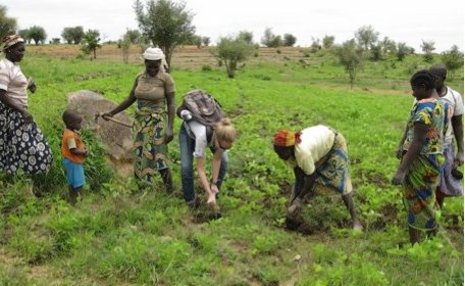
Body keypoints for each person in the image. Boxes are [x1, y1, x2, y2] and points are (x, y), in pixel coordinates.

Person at [102, 47, 175, 192]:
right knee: (140, 154)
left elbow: (172, 103)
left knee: (159, 155)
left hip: (157, 122)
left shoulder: (166, 79)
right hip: (140, 123)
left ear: (160, 63)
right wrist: (112, 112)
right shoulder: (139, 78)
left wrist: (170, 128)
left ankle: (169, 190)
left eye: (156, 66)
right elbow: (130, 99)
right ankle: (142, 188)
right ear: (145, 63)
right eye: (150, 66)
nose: (153, 69)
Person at [273, 125, 363, 231]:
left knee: (341, 183)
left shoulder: (303, 153)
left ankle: (356, 222)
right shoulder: (287, 152)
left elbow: (311, 177)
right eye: (278, 153)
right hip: (320, 146)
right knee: (302, 184)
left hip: (334, 143)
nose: (280, 157)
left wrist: (299, 198)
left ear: (290, 148)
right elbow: (299, 177)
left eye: (281, 153)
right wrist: (294, 202)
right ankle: (295, 217)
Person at [392, 70, 447, 244]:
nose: (413, 93)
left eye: (414, 89)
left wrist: (402, 170)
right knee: (428, 197)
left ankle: (415, 244)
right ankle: (432, 236)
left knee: (415, 199)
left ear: (423, 87)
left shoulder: (424, 108)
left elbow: (418, 141)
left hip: (421, 161)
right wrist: (402, 145)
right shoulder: (439, 104)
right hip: (434, 158)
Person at [0, 35, 52, 176]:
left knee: (14, 147)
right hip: (13, 113)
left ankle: (16, 177)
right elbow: (2, 94)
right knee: (34, 148)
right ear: (9, 50)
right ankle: (26, 177)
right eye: (20, 50)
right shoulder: (3, 67)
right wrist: (22, 111)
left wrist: (29, 84)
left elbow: (13, 87)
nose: (23, 53)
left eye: (24, 51)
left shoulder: (13, 65)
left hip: (18, 111)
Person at [178, 113, 237, 209]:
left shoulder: (222, 135)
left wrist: (214, 184)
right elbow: (200, 169)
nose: (223, 149)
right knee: (186, 167)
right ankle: (191, 202)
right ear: (217, 139)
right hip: (188, 133)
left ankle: (213, 195)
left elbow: (217, 159)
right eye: (222, 147)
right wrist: (208, 192)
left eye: (227, 148)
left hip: (208, 136)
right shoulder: (202, 137)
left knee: (224, 161)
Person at [429, 64, 463, 208]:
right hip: (427, 146)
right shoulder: (424, 94)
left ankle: (438, 210)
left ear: (443, 78)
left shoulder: (454, 97)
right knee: (428, 181)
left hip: (446, 146)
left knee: (442, 182)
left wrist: (461, 151)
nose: (431, 81)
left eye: (434, 78)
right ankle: (428, 212)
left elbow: (458, 125)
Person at [61, 110, 88, 205]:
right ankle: (80, 202)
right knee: (78, 182)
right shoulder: (70, 135)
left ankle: (72, 201)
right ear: (70, 123)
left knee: (72, 182)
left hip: (69, 161)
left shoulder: (68, 131)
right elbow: (73, 150)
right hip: (73, 162)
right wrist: (84, 152)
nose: (80, 126)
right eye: (78, 123)